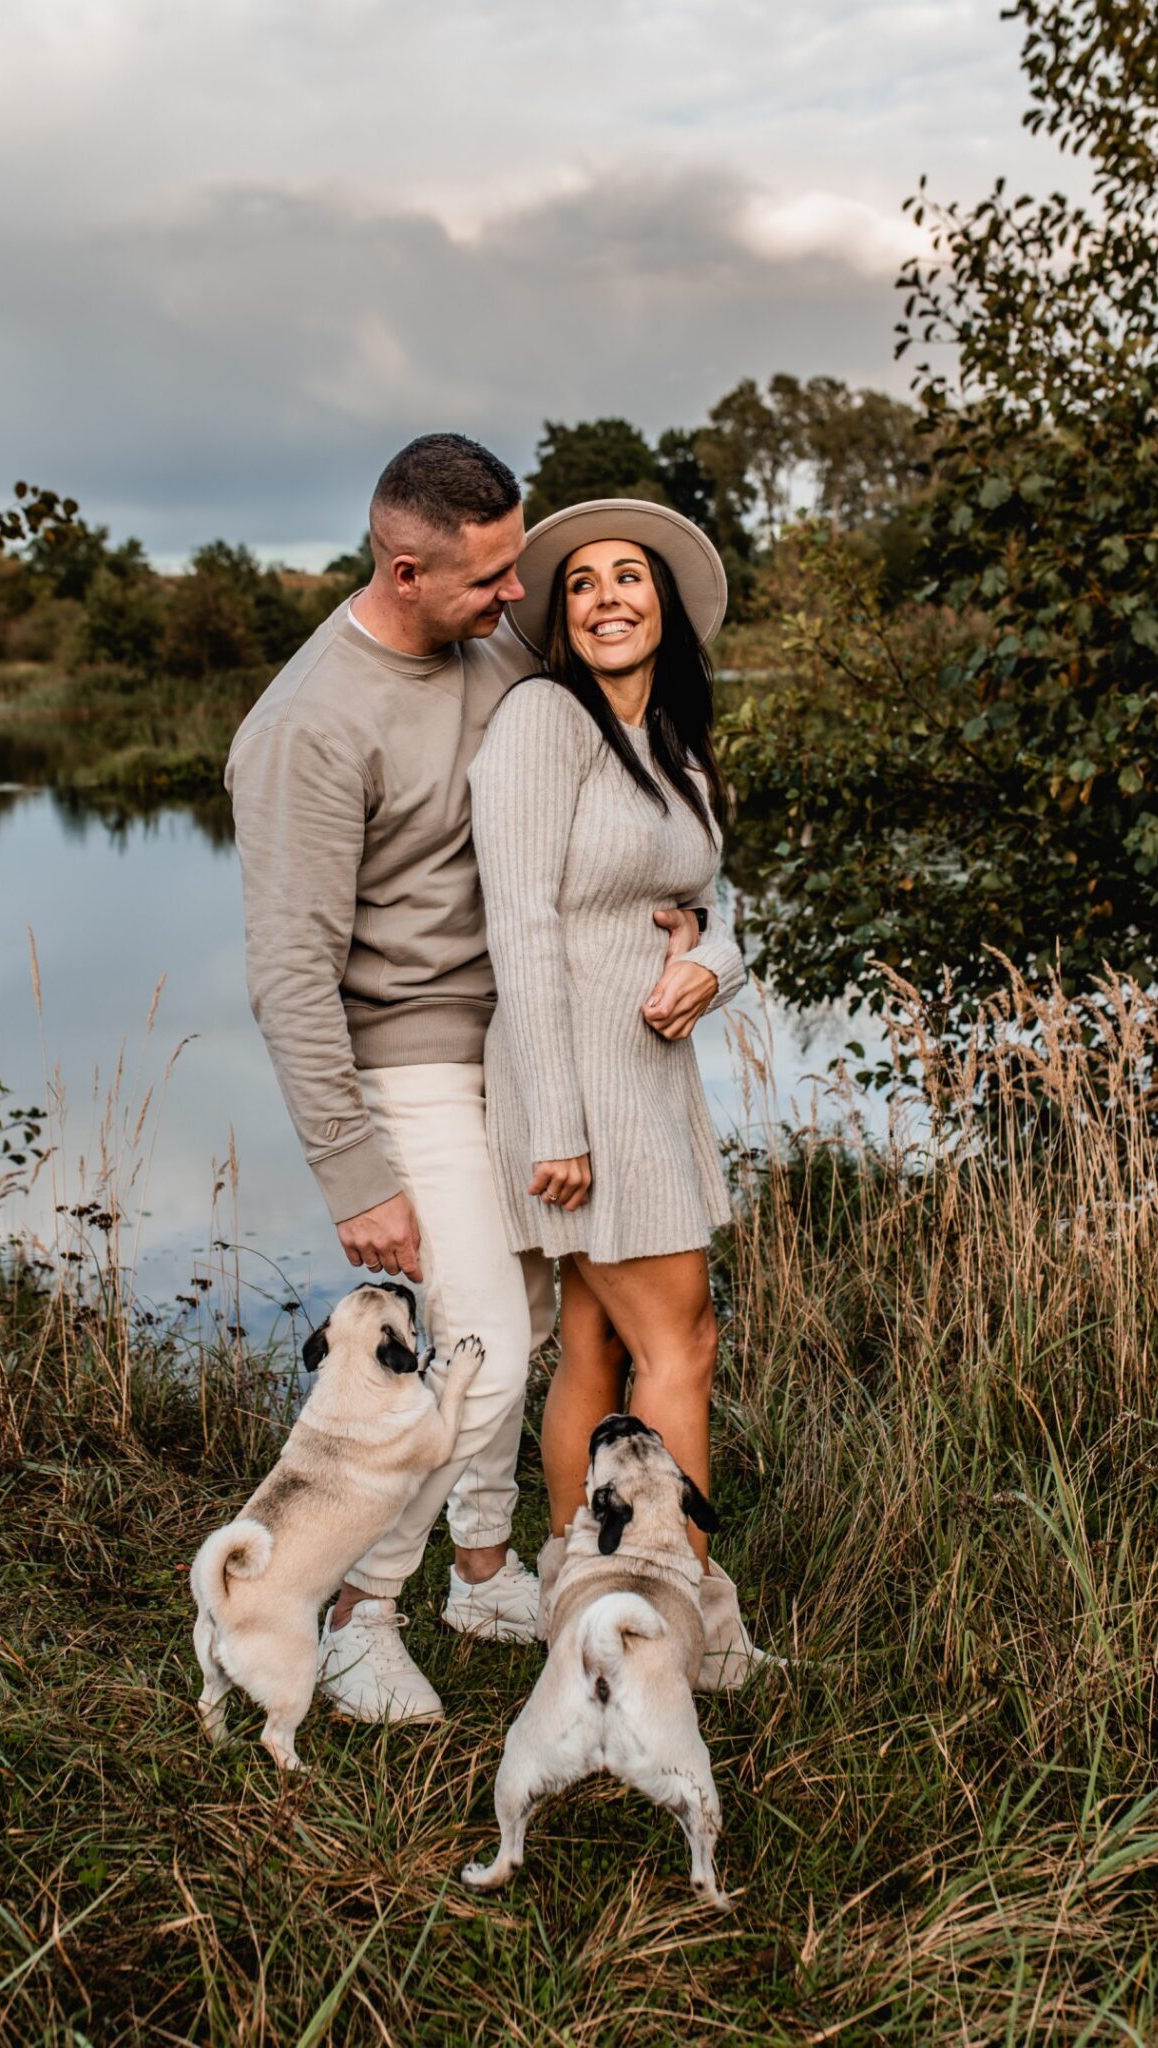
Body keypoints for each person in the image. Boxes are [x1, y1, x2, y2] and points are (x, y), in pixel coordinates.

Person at [225, 442, 710, 1722]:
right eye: (492, 577)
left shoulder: (491, 652)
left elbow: (612, 825)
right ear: (405, 571)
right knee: (486, 1342)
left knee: (529, 1322)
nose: (517, 597)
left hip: (521, 1049)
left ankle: (482, 1570)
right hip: (408, 1060)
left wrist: (692, 933)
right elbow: (288, 974)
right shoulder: (307, 725)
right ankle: (354, 1612)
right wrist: (354, 1171)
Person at [468, 498, 765, 1686]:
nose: (604, 596)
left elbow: (710, 908)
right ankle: (688, 1628)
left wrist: (713, 962)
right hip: (577, 1081)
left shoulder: (673, 744)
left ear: (665, 603)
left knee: (593, 1342)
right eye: (580, 582)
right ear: (561, 618)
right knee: (679, 1340)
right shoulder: (543, 719)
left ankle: (580, 1604)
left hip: (649, 1078)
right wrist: (556, 1123)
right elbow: (519, 924)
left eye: (627, 575)